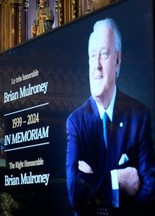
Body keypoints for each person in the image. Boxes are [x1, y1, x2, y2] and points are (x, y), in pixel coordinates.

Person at [65, 18, 155, 216]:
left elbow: (151, 190)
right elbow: (75, 192)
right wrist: (119, 180)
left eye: (104, 54)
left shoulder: (138, 117)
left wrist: (92, 181)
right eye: (92, 55)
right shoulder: (76, 122)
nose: (96, 65)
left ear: (117, 60)